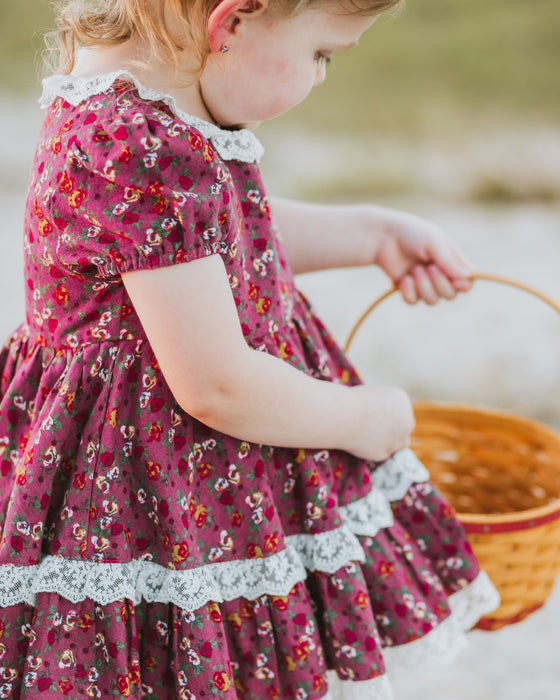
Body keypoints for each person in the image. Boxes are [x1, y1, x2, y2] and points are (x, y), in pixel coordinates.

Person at [0, 0, 500, 698]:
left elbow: (202, 242)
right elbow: (220, 386)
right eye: (324, 53)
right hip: (159, 486)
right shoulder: (151, 149)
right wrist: (366, 419)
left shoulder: (120, 105)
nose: (322, 77)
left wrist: (372, 233)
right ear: (232, 22)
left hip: (168, 466)